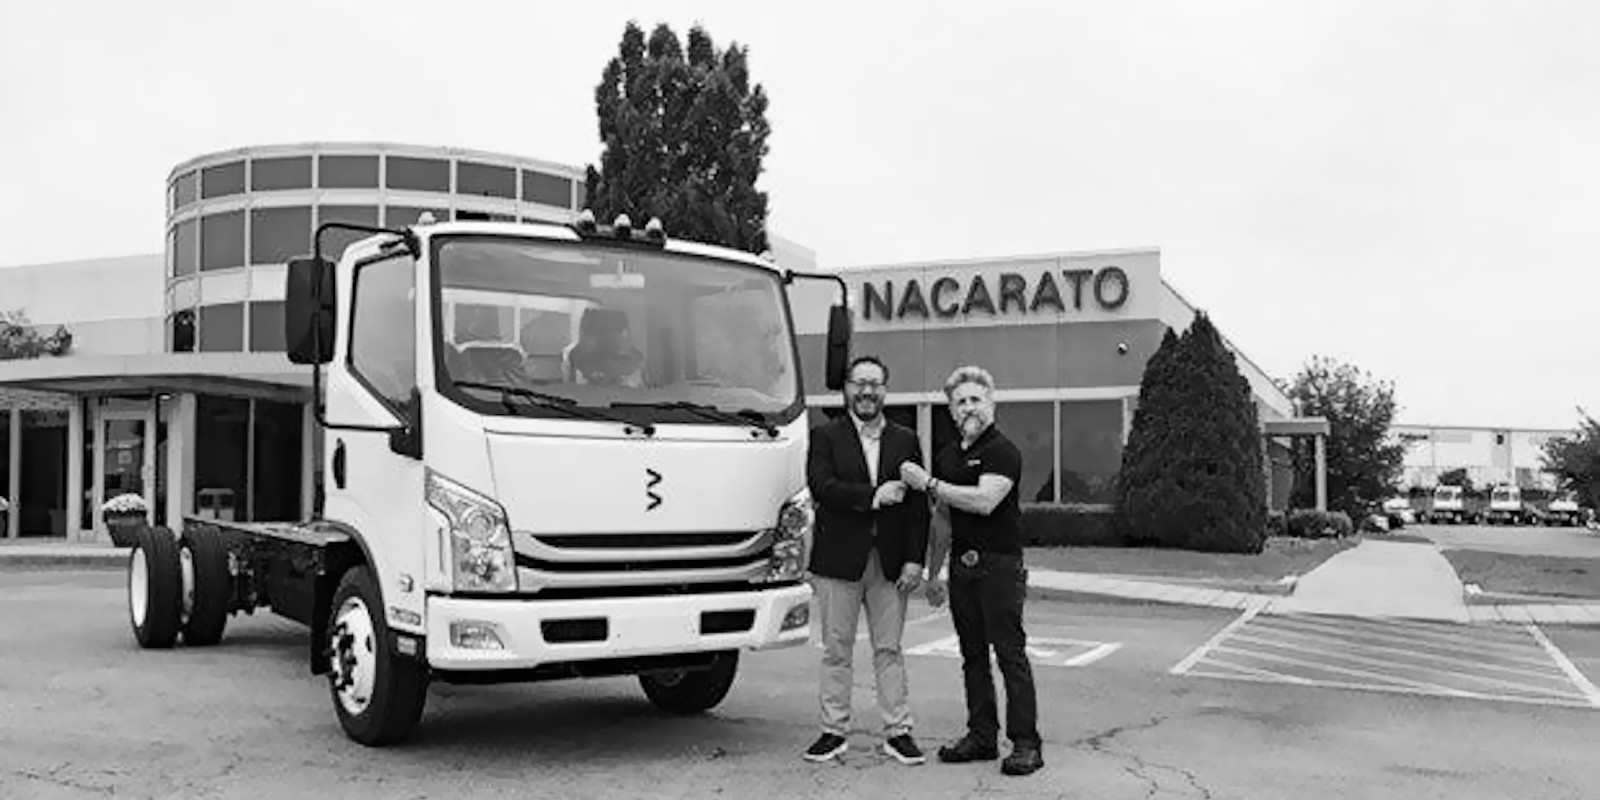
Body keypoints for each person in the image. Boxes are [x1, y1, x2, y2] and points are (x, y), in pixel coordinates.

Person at [900, 365, 1043, 777]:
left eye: (975, 399)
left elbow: (984, 501)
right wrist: (934, 575)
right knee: (972, 656)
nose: (968, 407)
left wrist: (928, 484)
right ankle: (982, 736)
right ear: (951, 410)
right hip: (963, 570)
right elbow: (943, 519)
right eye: (960, 401)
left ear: (991, 403)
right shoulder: (949, 456)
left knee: (1010, 655)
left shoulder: (1002, 451)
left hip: (1000, 567)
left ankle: (1026, 744)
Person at [802, 356, 932, 766]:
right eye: (859, 383)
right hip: (838, 562)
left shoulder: (906, 439)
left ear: (885, 391)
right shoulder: (825, 436)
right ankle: (833, 731)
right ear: (846, 389)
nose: (867, 391)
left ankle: (898, 731)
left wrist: (915, 560)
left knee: (889, 649)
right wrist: (873, 496)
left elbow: (918, 507)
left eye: (875, 383)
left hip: (889, 563)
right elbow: (822, 487)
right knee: (836, 650)